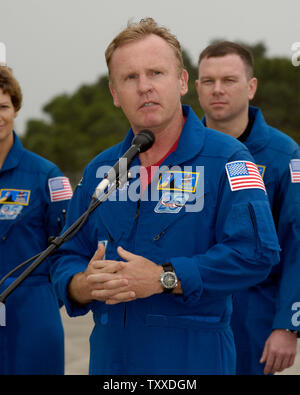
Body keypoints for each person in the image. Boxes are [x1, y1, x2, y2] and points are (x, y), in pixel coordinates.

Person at [50, 18, 280, 375]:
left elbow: (256, 253)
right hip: (111, 361)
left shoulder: (229, 159)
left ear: (183, 82)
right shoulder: (100, 170)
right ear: (114, 93)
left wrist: (164, 277)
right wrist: (81, 284)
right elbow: (67, 254)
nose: (144, 87)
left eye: (156, 73)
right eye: (130, 78)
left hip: (194, 358)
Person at [195, 41, 300, 375]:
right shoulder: (179, 154)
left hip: (253, 315)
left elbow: (298, 244)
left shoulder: (286, 156)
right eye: (208, 81)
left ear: (251, 87)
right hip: (187, 311)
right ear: (196, 87)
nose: (217, 90)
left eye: (229, 80)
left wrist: (288, 325)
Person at [0, 66, 73, 374]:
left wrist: (43, 300)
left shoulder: (47, 176)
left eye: (3, 106)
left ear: (15, 109)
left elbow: (69, 245)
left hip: (31, 314)